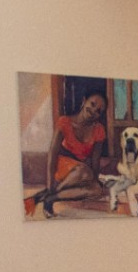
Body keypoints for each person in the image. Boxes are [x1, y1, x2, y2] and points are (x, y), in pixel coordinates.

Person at [25, 89, 107, 218]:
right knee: (84, 171)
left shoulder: (99, 130)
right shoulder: (64, 121)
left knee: (96, 189)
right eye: (92, 104)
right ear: (84, 101)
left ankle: (49, 198)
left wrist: (94, 180)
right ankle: (50, 192)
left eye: (98, 111)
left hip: (80, 173)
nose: (93, 111)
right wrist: (50, 183)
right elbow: (52, 153)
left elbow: (95, 160)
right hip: (61, 166)